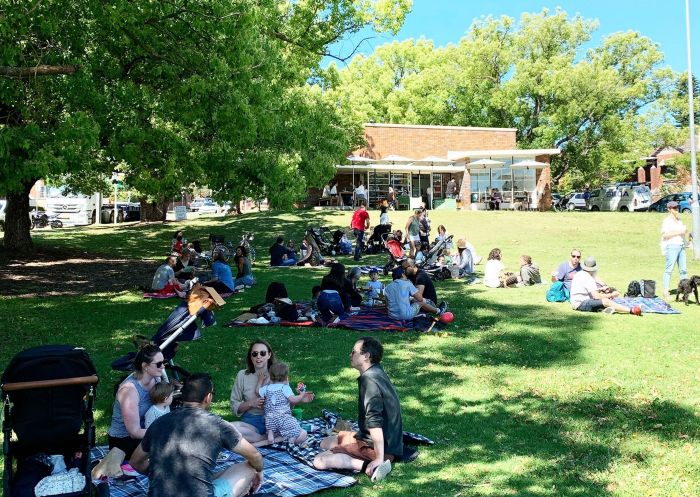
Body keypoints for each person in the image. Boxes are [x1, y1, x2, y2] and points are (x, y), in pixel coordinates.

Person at [130, 373, 264, 497]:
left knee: (213, 475)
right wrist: (259, 471)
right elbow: (254, 455)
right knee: (248, 467)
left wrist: (159, 474)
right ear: (208, 397)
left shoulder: (159, 422)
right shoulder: (217, 425)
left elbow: (135, 461)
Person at [313, 337, 402, 483]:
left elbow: (375, 423)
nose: (350, 354)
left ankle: (370, 466)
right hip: (381, 439)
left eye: (354, 352)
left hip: (378, 446)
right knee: (325, 442)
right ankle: (369, 457)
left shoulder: (370, 381)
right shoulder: (376, 371)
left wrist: (379, 458)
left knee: (319, 460)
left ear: (366, 356)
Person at [231, 340, 311, 444]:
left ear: (269, 355)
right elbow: (234, 405)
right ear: (251, 357)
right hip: (252, 421)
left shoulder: (279, 374)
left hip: (278, 421)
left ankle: (263, 440)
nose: (258, 357)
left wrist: (300, 399)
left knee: (301, 435)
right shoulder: (242, 375)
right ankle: (267, 439)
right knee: (231, 427)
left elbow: (288, 405)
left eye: (262, 353)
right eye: (254, 354)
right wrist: (251, 403)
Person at [108, 345, 164, 459]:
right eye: (159, 364)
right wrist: (162, 431)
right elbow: (134, 432)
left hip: (145, 432)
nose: (163, 366)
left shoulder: (156, 379)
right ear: (145, 366)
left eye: (164, 362)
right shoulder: (129, 391)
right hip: (123, 442)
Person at [257, 362, 311, 446]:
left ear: (271, 376)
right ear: (286, 377)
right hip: (282, 418)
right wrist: (301, 394)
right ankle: (290, 442)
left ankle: (270, 436)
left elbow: (257, 391)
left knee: (271, 429)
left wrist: (260, 380)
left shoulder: (266, 388)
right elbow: (293, 400)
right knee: (296, 429)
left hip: (269, 418)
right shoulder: (284, 388)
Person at [570, 256, 642, 315]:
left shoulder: (580, 274)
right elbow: (596, 296)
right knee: (605, 301)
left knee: (603, 298)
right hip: (580, 304)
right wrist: (611, 295)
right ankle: (631, 310)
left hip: (576, 302)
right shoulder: (588, 278)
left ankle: (603, 309)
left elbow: (584, 290)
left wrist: (601, 289)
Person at [661, 200, 688, 300]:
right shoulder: (667, 221)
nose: (677, 209)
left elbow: (682, 233)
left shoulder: (679, 220)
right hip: (672, 246)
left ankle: (685, 290)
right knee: (669, 270)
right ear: (669, 209)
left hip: (681, 246)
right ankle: (665, 290)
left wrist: (686, 241)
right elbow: (665, 235)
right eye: (674, 208)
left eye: (677, 207)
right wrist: (679, 232)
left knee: (683, 270)